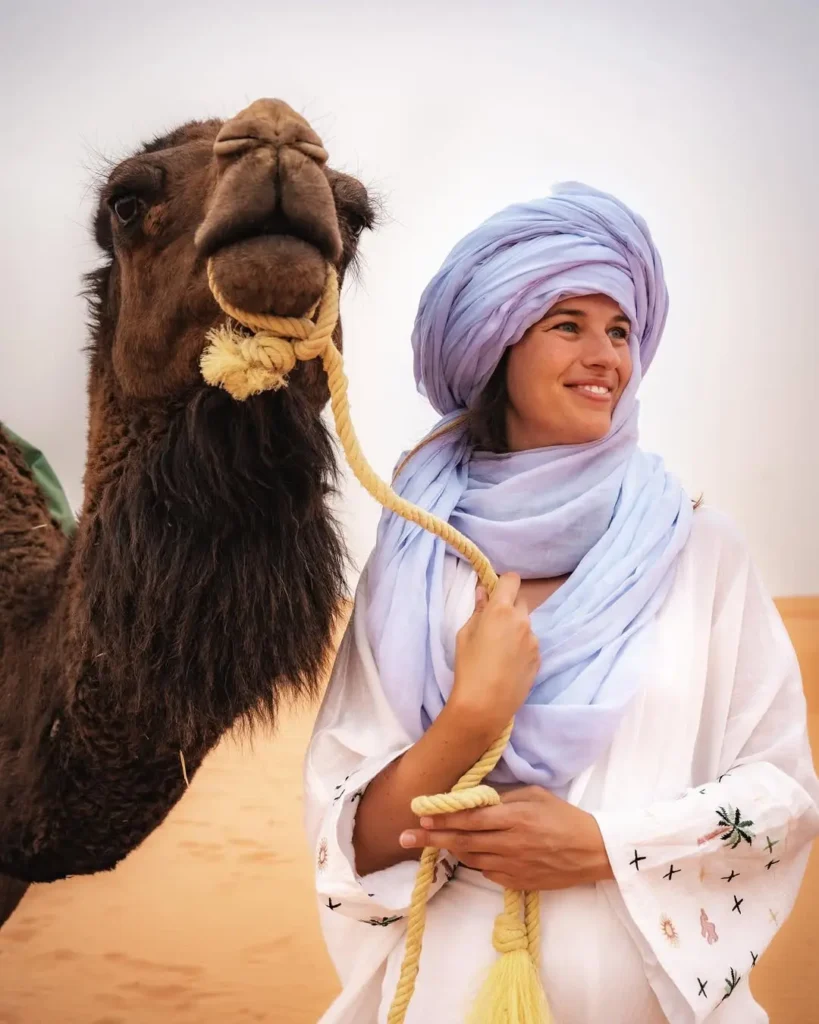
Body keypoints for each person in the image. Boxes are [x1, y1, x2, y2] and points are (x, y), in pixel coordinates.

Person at [303, 183, 819, 1023]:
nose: (606, 356)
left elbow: (780, 797)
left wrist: (602, 846)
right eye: (566, 325)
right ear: (495, 346)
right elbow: (347, 840)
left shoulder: (700, 549)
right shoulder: (414, 558)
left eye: (619, 330)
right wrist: (468, 721)